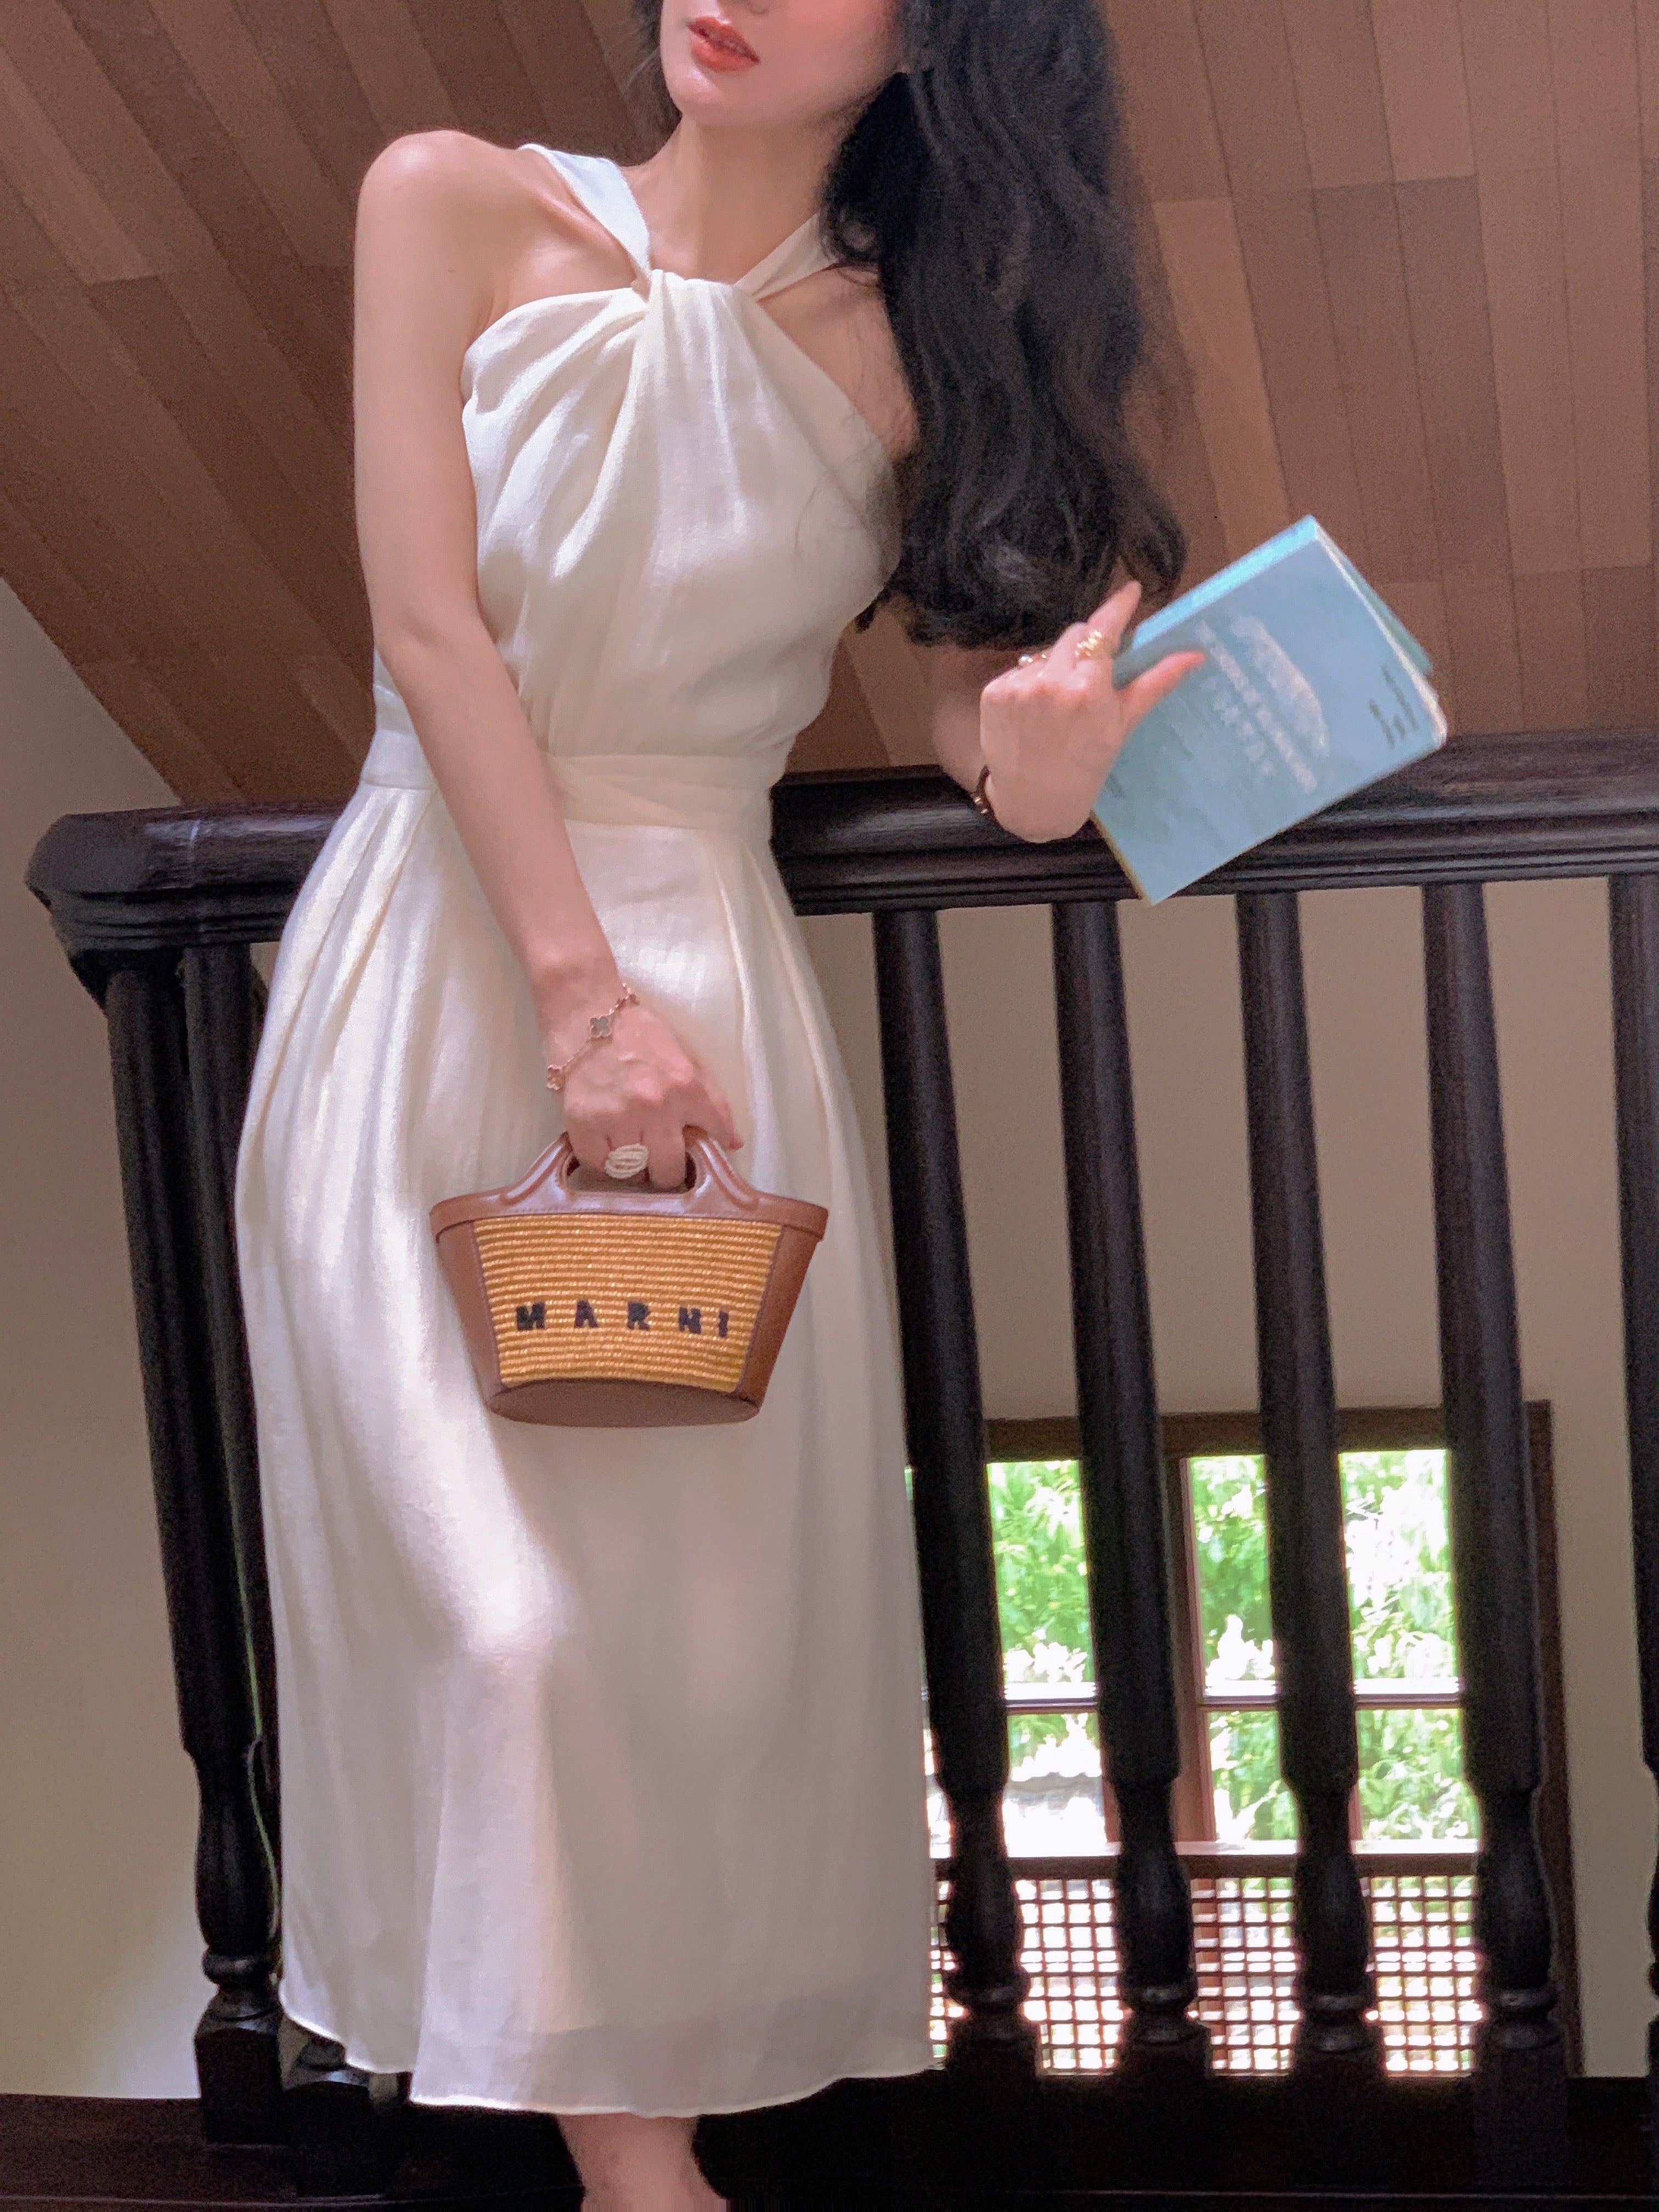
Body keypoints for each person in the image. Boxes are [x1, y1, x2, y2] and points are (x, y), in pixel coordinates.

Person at [233, 0, 1204, 2204]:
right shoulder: (452, 203)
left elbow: (970, 714)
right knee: (504, 1622)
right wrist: (581, 1004)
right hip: (441, 960)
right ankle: (638, 2172)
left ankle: (637, 2163)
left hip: (713, 998)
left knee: (686, 1640)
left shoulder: (922, 355)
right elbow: (430, 631)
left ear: (941, 36)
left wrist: (1038, 764)